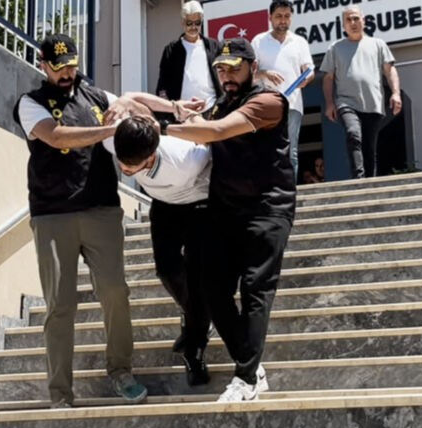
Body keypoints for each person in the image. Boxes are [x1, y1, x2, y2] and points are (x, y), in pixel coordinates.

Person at [116, 38, 295, 403]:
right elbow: (193, 118)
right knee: (212, 290)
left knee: (254, 289)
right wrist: (136, 102)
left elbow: (216, 132)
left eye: (234, 68)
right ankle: (251, 365)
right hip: (225, 209)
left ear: (252, 66)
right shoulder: (221, 105)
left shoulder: (268, 101)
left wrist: (157, 132)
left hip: (266, 208)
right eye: (221, 69)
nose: (227, 75)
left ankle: (245, 377)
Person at [12, 35, 147, 408]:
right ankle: (60, 394)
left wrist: (138, 111)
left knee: (116, 292)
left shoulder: (97, 97)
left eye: (71, 64)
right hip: (53, 215)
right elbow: (55, 138)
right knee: (60, 305)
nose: (68, 72)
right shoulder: (30, 103)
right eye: (59, 67)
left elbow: (128, 106)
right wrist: (109, 129)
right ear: (43, 65)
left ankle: (121, 371)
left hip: (102, 209)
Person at [103, 115, 213, 386]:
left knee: (197, 275)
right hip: (164, 205)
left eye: (132, 166)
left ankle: (194, 352)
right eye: (122, 162)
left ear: (151, 157)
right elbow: (121, 100)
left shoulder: (186, 160)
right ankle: (198, 316)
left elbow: (210, 142)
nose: (126, 169)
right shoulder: (114, 142)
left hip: (199, 201)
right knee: (166, 268)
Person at [320, 5, 401, 179]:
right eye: (348, 20)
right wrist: (329, 103)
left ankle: (369, 184)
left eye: (356, 18)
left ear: (363, 20)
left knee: (368, 148)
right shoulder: (335, 48)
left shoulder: (378, 44)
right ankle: (358, 178)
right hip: (346, 102)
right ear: (343, 25)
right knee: (353, 133)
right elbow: (328, 78)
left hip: (373, 104)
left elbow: (390, 70)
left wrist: (396, 93)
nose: (353, 22)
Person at [252, 0, 314, 179]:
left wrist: (307, 78)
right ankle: (270, 194)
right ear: (270, 17)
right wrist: (265, 74)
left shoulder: (299, 42)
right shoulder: (258, 41)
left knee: (291, 152)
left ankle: (290, 196)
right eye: (278, 16)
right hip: (267, 105)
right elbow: (249, 74)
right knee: (267, 149)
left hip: (293, 105)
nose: (283, 20)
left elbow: (309, 69)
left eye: (287, 16)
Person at [155, 0, 221, 112]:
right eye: (189, 23)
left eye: (197, 23)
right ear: (183, 22)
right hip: (183, 112)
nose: (193, 27)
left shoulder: (213, 46)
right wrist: (168, 108)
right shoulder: (171, 50)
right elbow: (162, 84)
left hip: (212, 109)